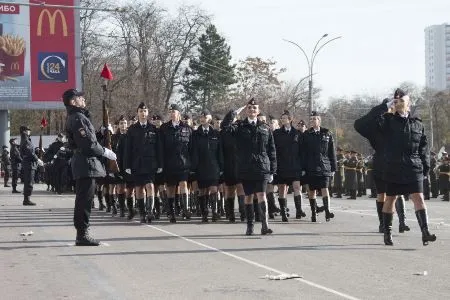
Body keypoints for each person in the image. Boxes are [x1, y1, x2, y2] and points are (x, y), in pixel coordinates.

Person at [356, 89, 436, 246]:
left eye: (402, 100)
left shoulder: (417, 124)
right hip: (393, 167)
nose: (399, 102)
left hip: (413, 168)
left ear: (409, 103)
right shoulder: (386, 122)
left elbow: (423, 148)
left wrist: (425, 168)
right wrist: (384, 106)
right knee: (390, 198)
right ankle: (387, 232)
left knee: (419, 198)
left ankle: (425, 232)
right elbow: (360, 125)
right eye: (396, 100)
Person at [64, 88, 117, 246]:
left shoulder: (77, 116)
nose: (83, 99)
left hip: (85, 163)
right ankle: (82, 235)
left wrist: (101, 133)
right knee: (85, 201)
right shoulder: (78, 117)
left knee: (85, 200)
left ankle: (82, 233)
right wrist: (105, 151)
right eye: (80, 97)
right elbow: (87, 144)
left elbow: (89, 138)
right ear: (73, 101)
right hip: (85, 163)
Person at [222, 98, 277, 235]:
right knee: (248, 196)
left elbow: (272, 149)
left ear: (258, 111)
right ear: (246, 110)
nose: (252, 110)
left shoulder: (265, 127)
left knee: (262, 194)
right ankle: (250, 225)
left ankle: (264, 225)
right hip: (245, 166)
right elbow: (225, 126)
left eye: (254, 108)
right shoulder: (239, 126)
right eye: (249, 108)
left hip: (262, 166)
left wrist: (272, 170)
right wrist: (234, 112)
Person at [124, 103, 162, 223]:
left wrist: (160, 164)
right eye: (141, 111)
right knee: (139, 189)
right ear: (138, 113)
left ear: (147, 113)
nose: (143, 113)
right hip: (137, 163)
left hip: (150, 163)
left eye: (145, 111)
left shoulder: (154, 129)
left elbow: (159, 148)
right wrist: (127, 165)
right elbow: (127, 149)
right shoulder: (132, 129)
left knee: (150, 186)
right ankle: (142, 213)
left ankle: (150, 211)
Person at [160, 104, 193, 223]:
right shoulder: (164, 128)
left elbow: (191, 148)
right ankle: (171, 212)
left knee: (183, 184)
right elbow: (161, 147)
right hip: (169, 163)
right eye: (170, 112)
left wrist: (192, 163)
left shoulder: (187, 128)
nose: (172, 114)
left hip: (183, 163)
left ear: (179, 113)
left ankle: (185, 208)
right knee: (171, 188)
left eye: (174, 111)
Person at [302, 111, 336, 222]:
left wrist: (333, 168)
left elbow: (332, 152)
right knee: (312, 191)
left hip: (324, 166)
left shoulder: (327, 134)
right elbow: (303, 153)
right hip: (310, 167)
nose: (312, 121)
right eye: (311, 119)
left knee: (325, 188)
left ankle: (327, 211)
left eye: (315, 119)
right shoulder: (306, 134)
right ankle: (313, 212)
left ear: (319, 121)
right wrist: (303, 168)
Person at [273, 110, 305, 222]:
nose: (283, 120)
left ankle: (298, 210)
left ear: (290, 119)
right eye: (282, 118)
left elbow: (302, 152)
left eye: (285, 118)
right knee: (282, 189)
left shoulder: (297, 134)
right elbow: (274, 150)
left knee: (296, 187)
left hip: (295, 165)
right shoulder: (276, 133)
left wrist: (302, 166)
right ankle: (283, 212)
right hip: (282, 165)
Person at [192, 109, 224, 222]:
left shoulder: (215, 133)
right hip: (200, 166)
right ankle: (204, 212)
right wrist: (193, 167)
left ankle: (215, 212)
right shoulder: (195, 134)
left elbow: (220, 152)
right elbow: (193, 151)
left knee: (214, 189)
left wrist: (221, 166)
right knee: (203, 191)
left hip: (213, 166)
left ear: (209, 119)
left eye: (204, 117)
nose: (202, 119)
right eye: (201, 117)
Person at [20, 125, 43, 206]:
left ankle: (26, 199)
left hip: (29, 163)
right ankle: (26, 200)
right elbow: (30, 152)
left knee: (29, 181)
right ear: (24, 131)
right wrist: (37, 159)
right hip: (29, 164)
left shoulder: (26, 139)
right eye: (28, 130)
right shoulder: (26, 140)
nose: (29, 131)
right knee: (29, 182)